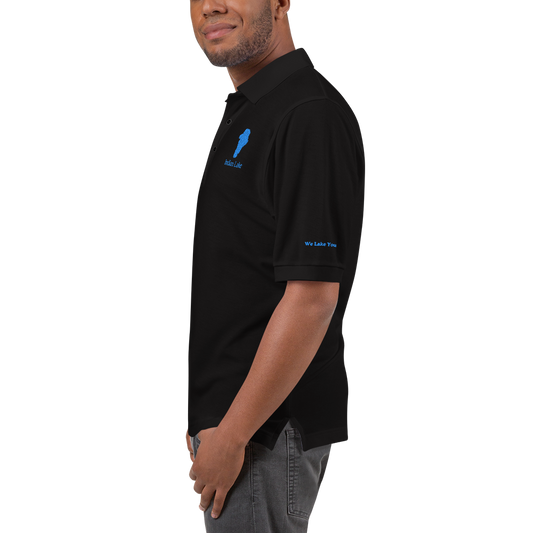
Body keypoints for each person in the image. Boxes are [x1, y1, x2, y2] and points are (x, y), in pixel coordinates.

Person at [184, 1, 367, 531]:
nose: (211, 6)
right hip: (239, 427)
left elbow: (312, 298)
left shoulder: (307, 113)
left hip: (264, 433)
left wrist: (234, 434)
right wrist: (211, 420)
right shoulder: (254, 106)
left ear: (283, 1)